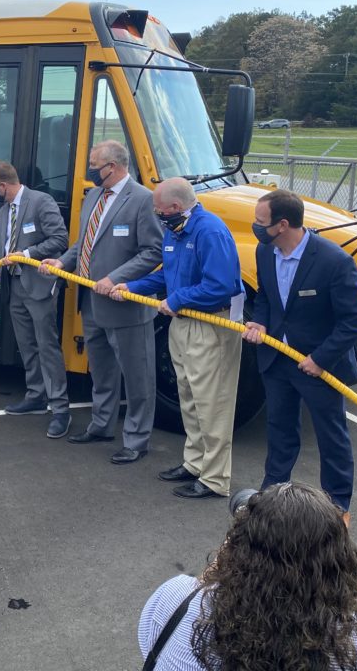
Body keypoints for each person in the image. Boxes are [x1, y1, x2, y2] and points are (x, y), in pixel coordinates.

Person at [138, 482, 357, 670]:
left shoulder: (175, 600)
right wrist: (353, 594)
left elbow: (148, 643)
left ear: (236, 547)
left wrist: (222, 568)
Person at [241, 189, 357, 515]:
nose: (256, 227)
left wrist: (320, 359)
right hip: (277, 359)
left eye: (261, 221)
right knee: (280, 430)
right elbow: (266, 299)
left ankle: (336, 506)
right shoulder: (264, 251)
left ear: (283, 224)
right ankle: (271, 498)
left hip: (319, 366)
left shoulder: (334, 261)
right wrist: (259, 323)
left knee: (332, 438)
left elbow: (356, 318)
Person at [116, 178, 243, 499]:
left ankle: (215, 478)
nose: (157, 215)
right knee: (189, 397)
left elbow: (221, 286)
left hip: (209, 323)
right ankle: (195, 463)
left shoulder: (209, 231)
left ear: (175, 207)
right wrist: (131, 287)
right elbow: (165, 274)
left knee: (211, 402)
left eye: (159, 210)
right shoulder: (175, 229)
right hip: (182, 322)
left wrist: (178, 298)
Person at [40, 140, 162, 464]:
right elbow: (84, 243)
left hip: (125, 304)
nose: (91, 170)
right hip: (91, 301)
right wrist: (62, 262)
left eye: (95, 165)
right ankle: (101, 424)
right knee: (102, 369)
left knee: (137, 376)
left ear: (114, 166)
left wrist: (117, 277)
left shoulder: (143, 200)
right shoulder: (93, 196)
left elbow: (153, 251)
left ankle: (136, 439)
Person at [0, 161, 71, 437]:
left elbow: (59, 239)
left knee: (46, 345)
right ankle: (36, 394)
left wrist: (26, 255)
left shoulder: (41, 202)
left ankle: (60, 408)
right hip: (13, 285)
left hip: (38, 285)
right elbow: (3, 252)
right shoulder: (5, 211)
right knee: (26, 344)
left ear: (3, 186)